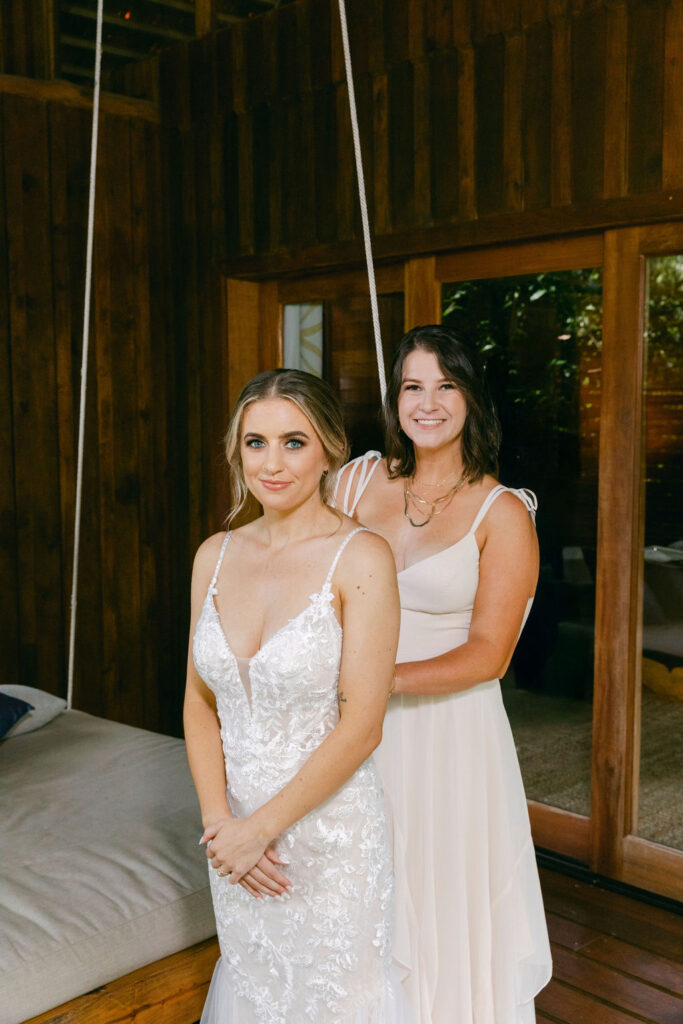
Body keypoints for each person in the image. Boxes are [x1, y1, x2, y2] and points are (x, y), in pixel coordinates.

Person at [335, 325, 552, 1024]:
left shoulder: (502, 513)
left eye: (445, 385)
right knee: (355, 893)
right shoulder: (355, 480)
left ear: (470, 399)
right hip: (345, 725)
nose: (426, 402)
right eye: (411, 386)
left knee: (433, 896)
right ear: (394, 399)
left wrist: (375, 678)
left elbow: (488, 653)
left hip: (446, 735)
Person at [184, 369, 413, 1024]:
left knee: (334, 1002)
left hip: (329, 836)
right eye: (255, 442)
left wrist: (259, 829)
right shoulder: (214, 555)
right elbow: (199, 704)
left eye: (293, 442)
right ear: (237, 451)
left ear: (328, 450)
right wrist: (221, 826)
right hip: (233, 841)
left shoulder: (361, 557)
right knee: (255, 993)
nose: (272, 463)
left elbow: (362, 724)